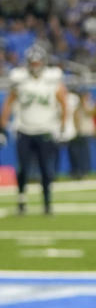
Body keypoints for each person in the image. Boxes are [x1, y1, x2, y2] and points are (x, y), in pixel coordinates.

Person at [0, 45, 67, 215]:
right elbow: (9, 102)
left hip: (45, 130)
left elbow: (63, 102)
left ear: (43, 63)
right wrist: (2, 126)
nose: (36, 66)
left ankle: (47, 203)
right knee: (23, 168)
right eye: (33, 63)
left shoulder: (52, 80)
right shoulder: (21, 80)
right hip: (24, 131)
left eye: (38, 63)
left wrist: (63, 126)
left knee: (46, 169)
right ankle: (22, 201)